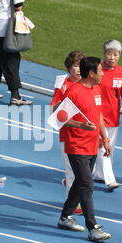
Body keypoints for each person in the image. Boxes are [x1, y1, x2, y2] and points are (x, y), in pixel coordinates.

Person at [56, 56, 112, 242]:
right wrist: (81, 126)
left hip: (92, 146)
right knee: (87, 185)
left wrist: (105, 138)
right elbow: (59, 118)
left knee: (80, 184)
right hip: (76, 146)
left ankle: (64, 217)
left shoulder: (96, 89)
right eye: (100, 71)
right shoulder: (74, 92)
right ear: (91, 73)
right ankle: (93, 227)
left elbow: (99, 115)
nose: (103, 74)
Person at [92, 40, 122, 191]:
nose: (112, 58)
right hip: (98, 116)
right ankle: (110, 179)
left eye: (115, 54)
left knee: (110, 147)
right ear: (104, 54)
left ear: (119, 55)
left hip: (113, 116)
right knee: (104, 147)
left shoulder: (120, 72)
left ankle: (99, 174)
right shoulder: (97, 70)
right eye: (109, 54)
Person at [50, 50, 85, 215]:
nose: (78, 69)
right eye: (75, 65)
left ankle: (71, 185)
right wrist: (61, 108)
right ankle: (73, 204)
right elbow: (54, 106)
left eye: (80, 65)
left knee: (85, 170)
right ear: (69, 67)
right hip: (68, 132)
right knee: (72, 169)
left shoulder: (88, 83)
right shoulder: (63, 84)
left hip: (86, 133)